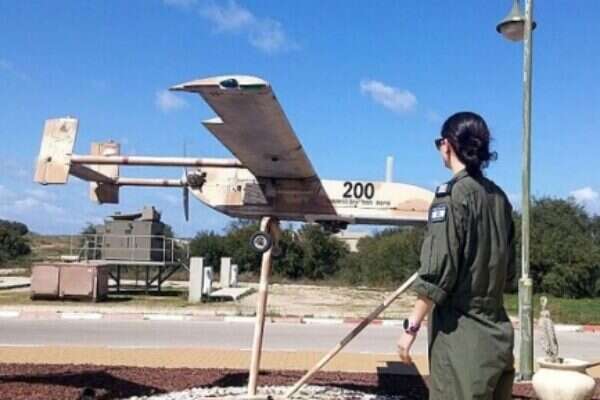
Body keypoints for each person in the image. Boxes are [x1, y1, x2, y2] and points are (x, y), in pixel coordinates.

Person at [397, 111, 517, 400]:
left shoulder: (452, 196)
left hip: (461, 337)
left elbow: (438, 271)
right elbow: (509, 272)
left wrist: (410, 327)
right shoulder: (499, 198)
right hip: (498, 336)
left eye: (439, 142)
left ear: (448, 145)